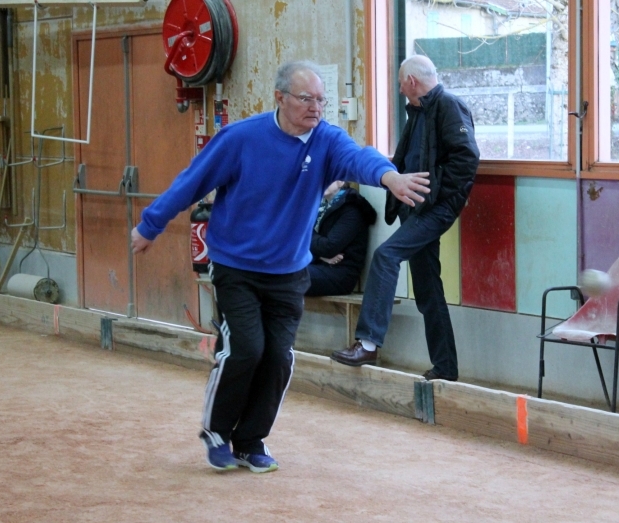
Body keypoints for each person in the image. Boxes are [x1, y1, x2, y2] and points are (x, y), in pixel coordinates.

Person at [130, 60, 430, 474]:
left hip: (289, 273)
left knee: (278, 358)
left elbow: (359, 157)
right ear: (280, 98)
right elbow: (191, 181)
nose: (316, 107)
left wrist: (388, 177)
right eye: (306, 99)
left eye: (322, 100)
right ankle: (217, 431)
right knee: (245, 349)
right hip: (236, 266)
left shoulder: (325, 141)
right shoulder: (241, 138)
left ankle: (250, 440)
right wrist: (151, 224)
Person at [331, 54, 480, 382]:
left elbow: (467, 159)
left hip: (434, 210)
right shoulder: (418, 113)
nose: (399, 90)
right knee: (428, 291)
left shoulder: (449, 106)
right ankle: (445, 369)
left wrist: (436, 196)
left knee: (386, 256)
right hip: (416, 209)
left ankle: (368, 342)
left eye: (400, 83)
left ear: (412, 81)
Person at [306, 181, 376, 297]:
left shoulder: (352, 209)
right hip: (317, 265)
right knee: (272, 271)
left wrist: (305, 234)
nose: (320, 182)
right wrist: (320, 255)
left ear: (341, 181)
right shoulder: (320, 207)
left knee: (284, 275)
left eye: (327, 177)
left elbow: (328, 247)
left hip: (339, 274)